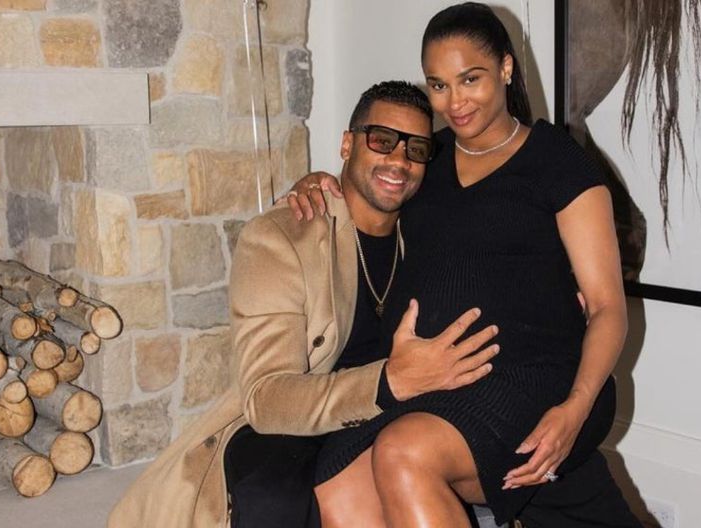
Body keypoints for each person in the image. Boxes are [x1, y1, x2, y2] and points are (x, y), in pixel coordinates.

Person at [287, 3, 641, 527]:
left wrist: (575, 408)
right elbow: (371, 189)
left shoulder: (557, 161)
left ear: (505, 68)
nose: (454, 102)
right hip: (432, 378)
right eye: (438, 85)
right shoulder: (426, 158)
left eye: (469, 79)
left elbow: (608, 307)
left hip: (531, 376)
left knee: (403, 452)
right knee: (338, 482)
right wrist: (320, 183)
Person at [107, 80, 502, 528]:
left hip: (393, 414)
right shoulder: (279, 238)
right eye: (382, 140)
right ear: (347, 145)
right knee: (272, 498)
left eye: (416, 149)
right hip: (295, 419)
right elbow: (266, 399)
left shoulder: (429, 230)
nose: (399, 160)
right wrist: (388, 382)